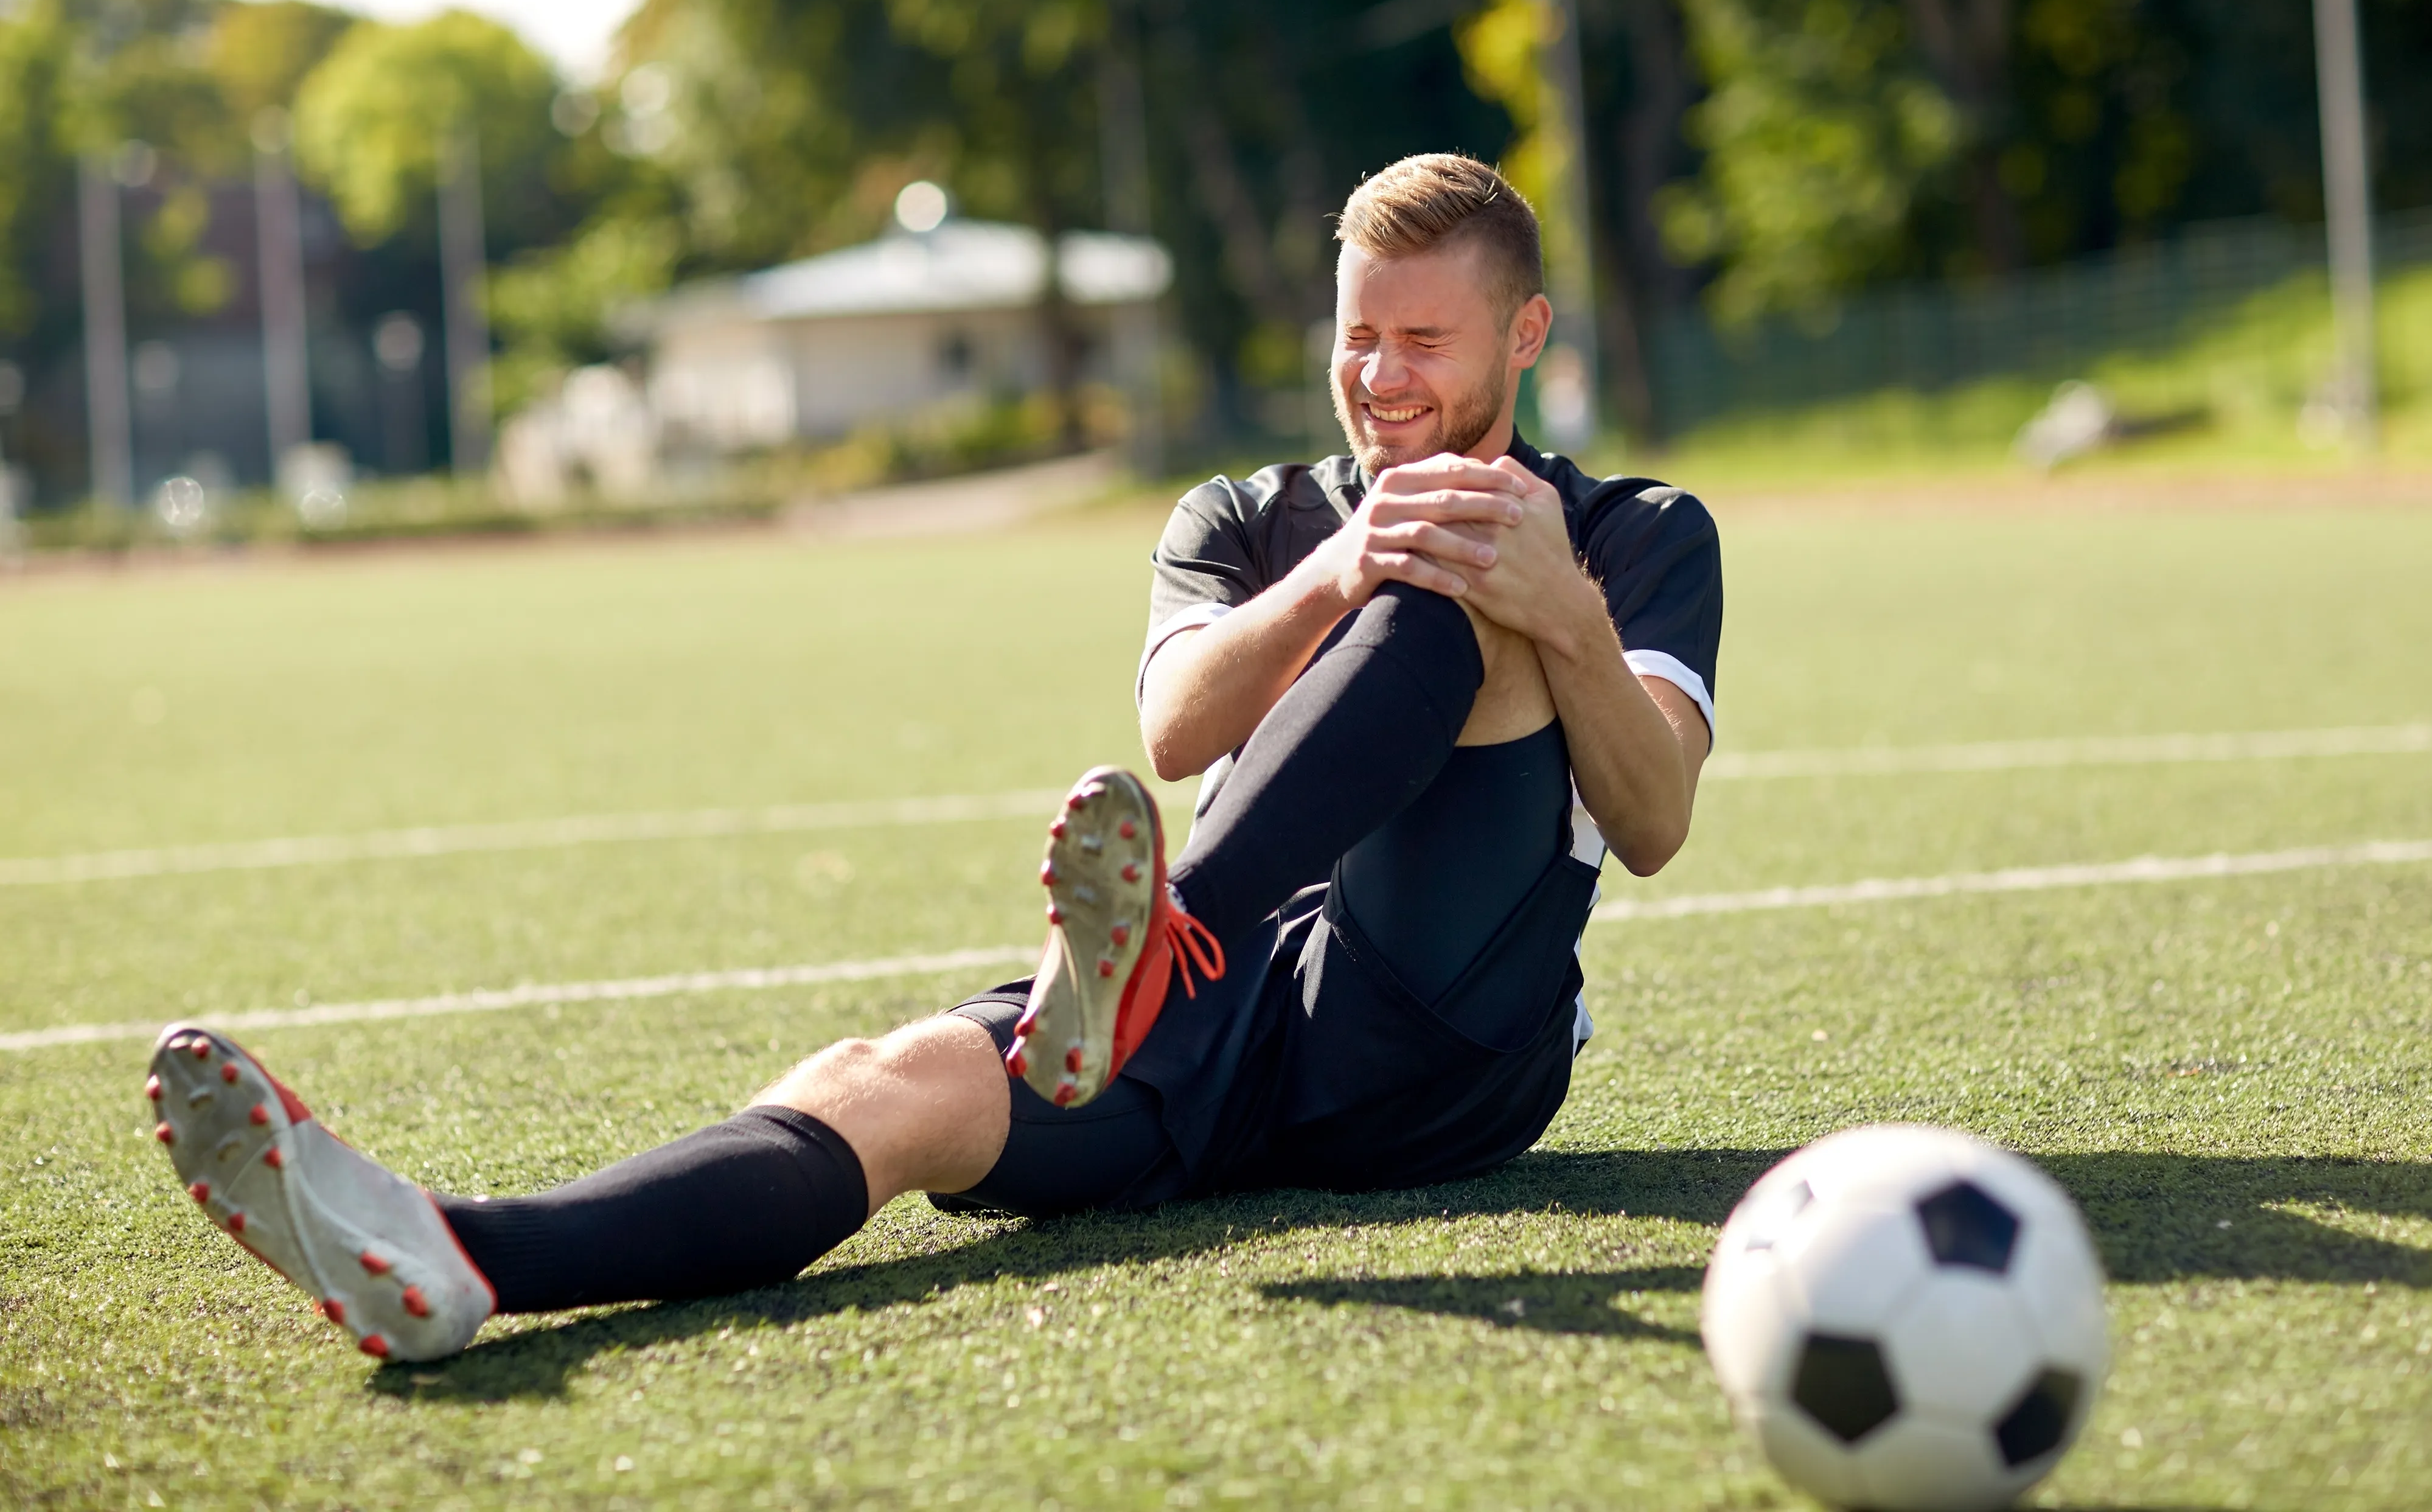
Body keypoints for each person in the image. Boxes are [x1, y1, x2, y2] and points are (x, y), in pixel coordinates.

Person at [144, 153, 1723, 1362]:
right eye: (1355, 338)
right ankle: (458, 1255)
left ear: (1523, 330)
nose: (1380, 379)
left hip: (1435, 1029)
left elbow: (1649, 821)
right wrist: (1333, 570)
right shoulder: (1240, 517)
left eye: (1422, 342)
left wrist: (1561, 612)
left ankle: (1154, 956)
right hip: (1214, 1020)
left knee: (1475, 579)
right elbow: (1176, 727)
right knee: (887, 1088)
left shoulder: (1638, 533)